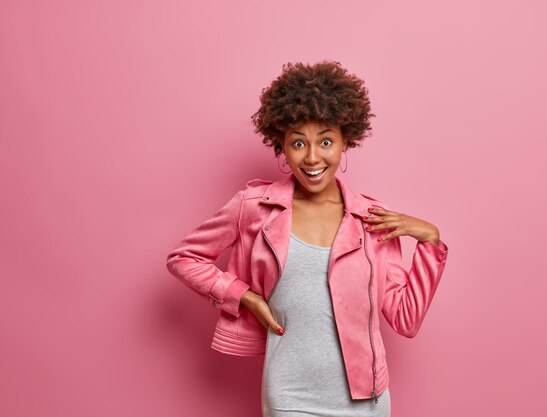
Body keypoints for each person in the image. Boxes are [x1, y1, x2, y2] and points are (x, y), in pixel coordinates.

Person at [165, 61, 449, 417]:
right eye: (298, 142)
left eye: (326, 141)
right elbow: (184, 258)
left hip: (367, 401)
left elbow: (405, 318)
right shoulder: (255, 208)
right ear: (281, 145)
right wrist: (243, 296)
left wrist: (430, 243)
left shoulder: (374, 220)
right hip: (290, 397)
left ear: (346, 141)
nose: (313, 157)